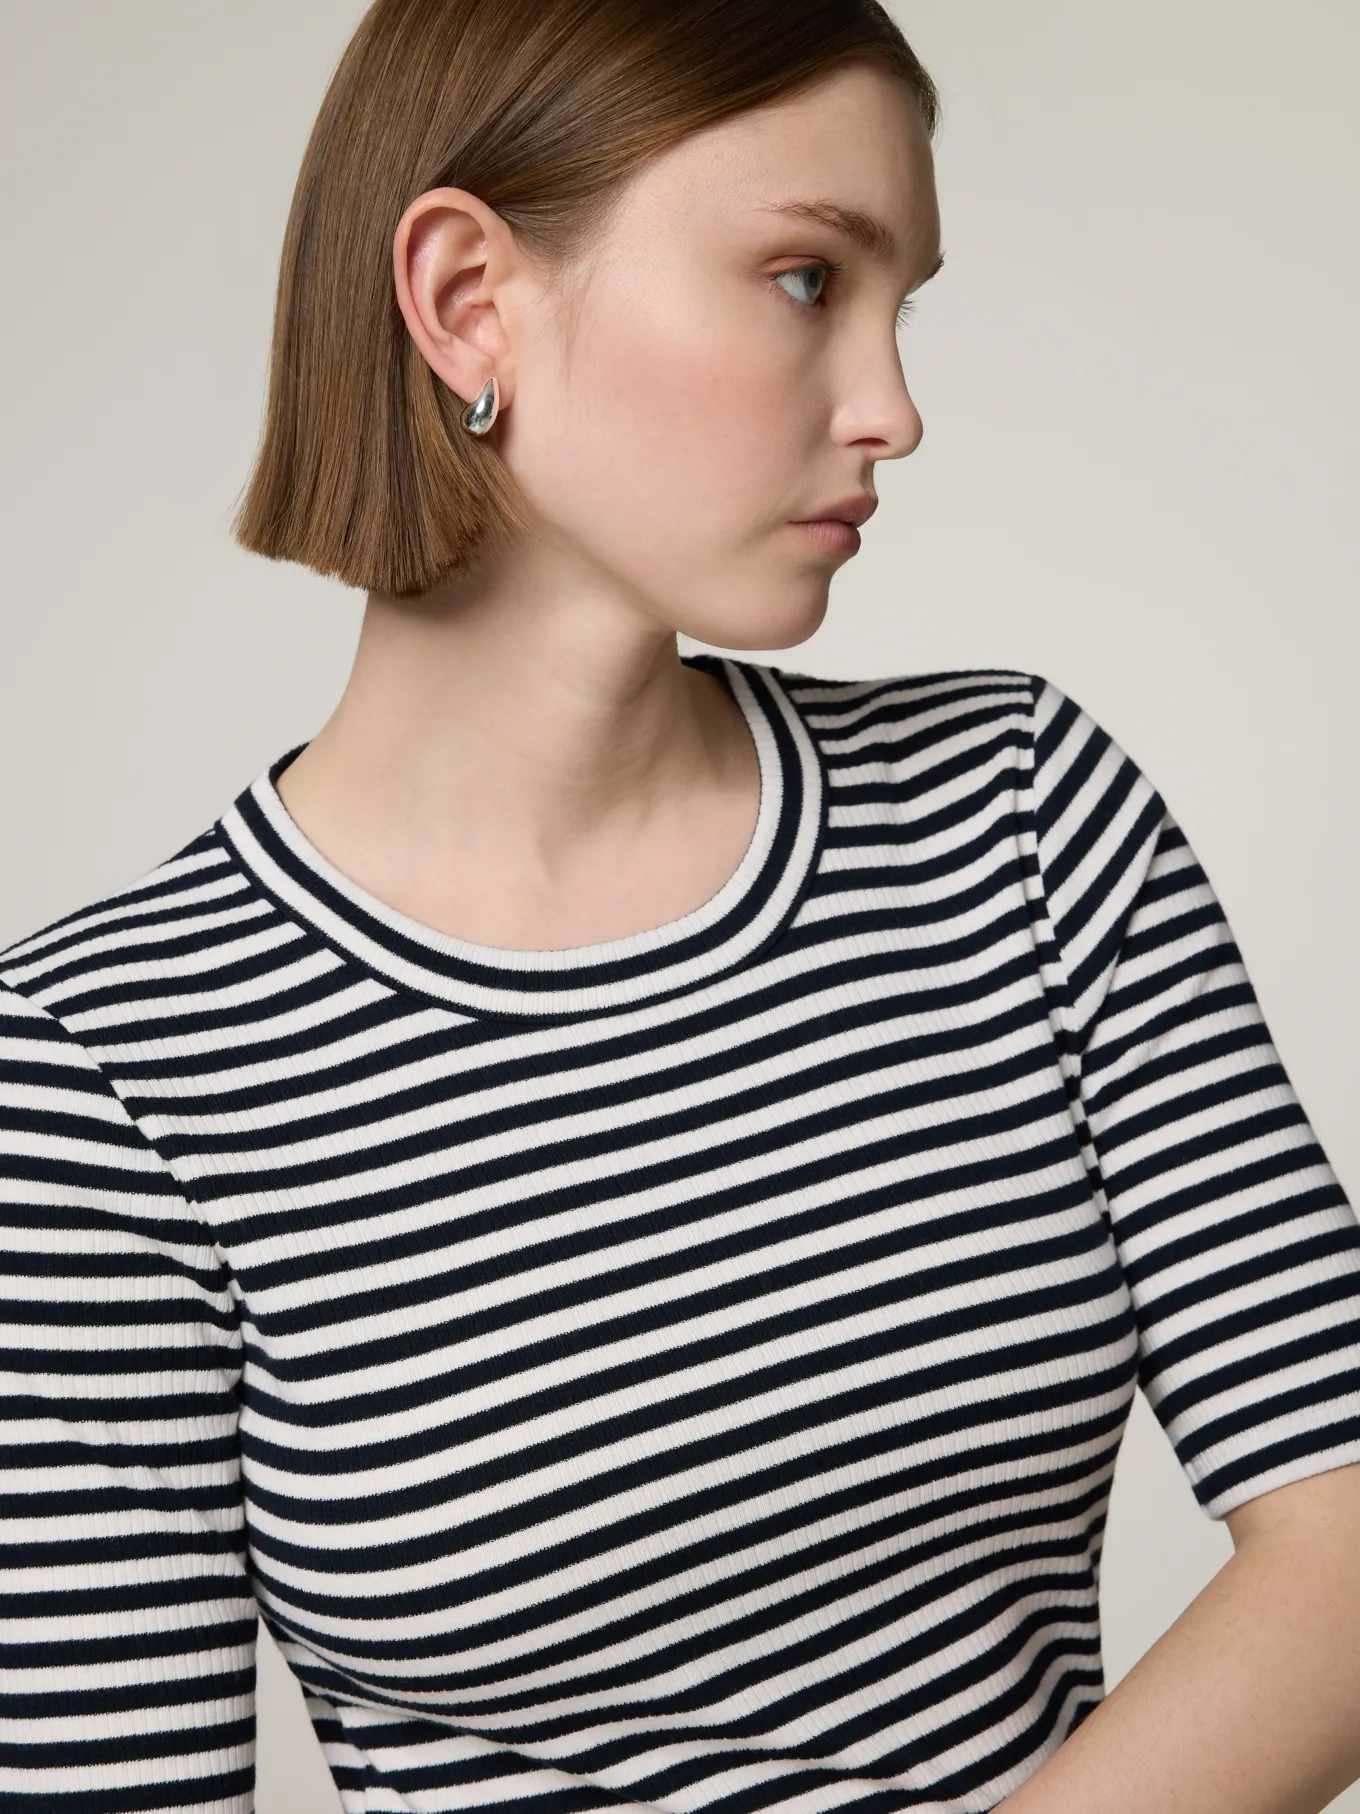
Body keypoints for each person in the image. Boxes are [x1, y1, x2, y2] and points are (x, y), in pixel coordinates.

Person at [1, 0, 1358, 1810]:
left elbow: (1346, 1536)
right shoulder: (97, 1070)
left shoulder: (1022, 816)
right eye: (806, 279)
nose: (894, 410)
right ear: (468, 299)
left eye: (899, 307)